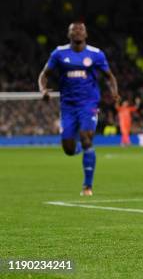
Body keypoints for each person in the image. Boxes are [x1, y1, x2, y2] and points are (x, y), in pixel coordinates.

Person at [38, 22, 119, 196]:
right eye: (74, 30)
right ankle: (80, 148)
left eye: (80, 29)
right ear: (69, 34)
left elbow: (109, 76)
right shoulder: (59, 53)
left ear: (86, 34)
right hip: (67, 105)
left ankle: (87, 186)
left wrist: (114, 92)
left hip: (89, 103)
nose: (77, 32)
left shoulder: (96, 54)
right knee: (68, 148)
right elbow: (44, 75)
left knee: (86, 137)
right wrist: (43, 90)